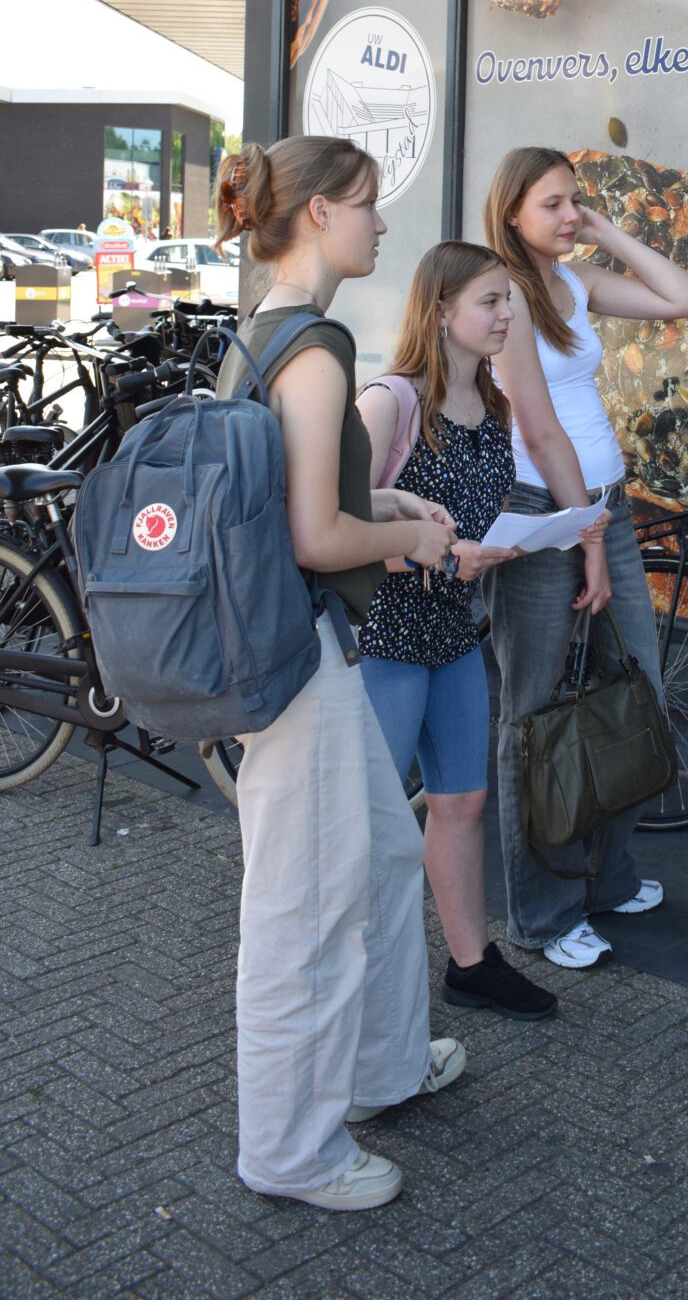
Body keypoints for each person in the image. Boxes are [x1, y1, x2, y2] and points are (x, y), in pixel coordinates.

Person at [215, 137, 465, 1212]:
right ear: (318, 212)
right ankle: (290, 1152)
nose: (381, 222)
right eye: (366, 203)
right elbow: (316, 537)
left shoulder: (260, 330)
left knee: (385, 855)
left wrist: (390, 504)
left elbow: (295, 496)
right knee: (303, 909)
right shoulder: (315, 349)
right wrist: (410, 539)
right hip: (297, 659)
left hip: (290, 647)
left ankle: (384, 1068)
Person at [483, 146, 688, 968]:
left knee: (635, 689)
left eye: (574, 200)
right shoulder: (503, 294)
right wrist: (586, 535)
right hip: (543, 510)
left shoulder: (572, 282)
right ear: (511, 212)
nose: (568, 214)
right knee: (534, 713)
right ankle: (542, 913)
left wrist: (605, 229)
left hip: (598, 508)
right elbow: (537, 426)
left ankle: (607, 878)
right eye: (552, 204)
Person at [355, 241, 557, 1023]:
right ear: (441, 311)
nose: (507, 315)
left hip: (450, 630)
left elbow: (466, 521)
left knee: (463, 803)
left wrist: (509, 543)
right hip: (382, 633)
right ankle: (359, 975)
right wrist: (438, 555)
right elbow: (333, 534)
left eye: (509, 300)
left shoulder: (493, 405)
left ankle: (471, 965)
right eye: (490, 301)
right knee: (372, 821)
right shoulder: (390, 401)